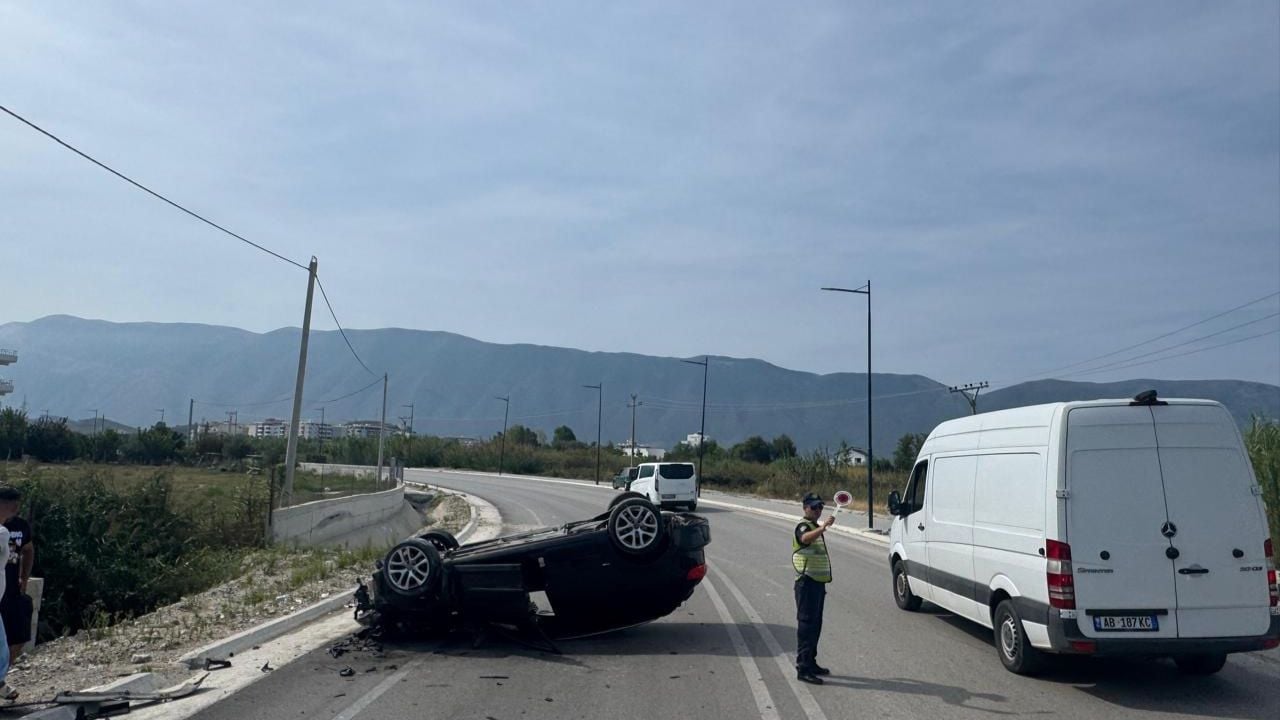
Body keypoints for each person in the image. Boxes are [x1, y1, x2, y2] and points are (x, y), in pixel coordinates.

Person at [793, 492, 834, 685]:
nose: (818, 511)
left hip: (817, 583)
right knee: (807, 625)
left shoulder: (814, 526)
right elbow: (805, 539)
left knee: (816, 625)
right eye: (814, 507)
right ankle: (803, 668)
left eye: (820, 507)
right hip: (806, 582)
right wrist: (824, 527)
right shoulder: (803, 525)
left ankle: (811, 661)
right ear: (805, 508)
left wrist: (821, 526)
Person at [0, 486, 32, 673]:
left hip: (11, 589)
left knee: (18, 634)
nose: (15, 508)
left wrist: (24, 578)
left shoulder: (20, 526)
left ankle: (2, 676)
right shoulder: (2, 531)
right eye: (12, 504)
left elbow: (28, 549)